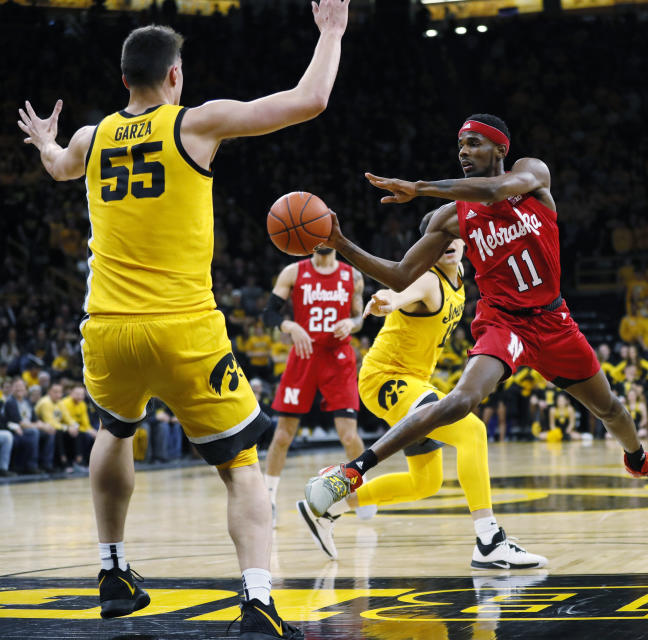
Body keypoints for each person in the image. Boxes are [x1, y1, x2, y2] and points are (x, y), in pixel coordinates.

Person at [17, 2, 349, 634]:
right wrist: (330, 32)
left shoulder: (93, 138)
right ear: (174, 76)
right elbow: (309, 100)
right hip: (183, 326)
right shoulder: (195, 125)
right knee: (240, 464)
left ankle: (113, 570)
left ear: (124, 81)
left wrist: (46, 141)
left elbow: (59, 167)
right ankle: (257, 603)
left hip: (107, 327)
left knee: (113, 432)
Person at [303, 113, 648, 519]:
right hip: (504, 321)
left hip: (553, 319)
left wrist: (420, 188)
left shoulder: (531, 175)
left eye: (474, 143)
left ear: (500, 149)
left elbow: (495, 190)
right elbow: (401, 275)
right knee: (462, 401)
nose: (464, 152)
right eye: (460, 146)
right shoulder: (452, 217)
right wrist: (341, 243)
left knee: (609, 407)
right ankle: (350, 472)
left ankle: (639, 461)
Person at [298, 226, 545, 569]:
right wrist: (390, 300)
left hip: (414, 382)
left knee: (425, 482)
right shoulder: (428, 281)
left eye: (452, 238)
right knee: (472, 431)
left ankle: (328, 507)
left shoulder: (460, 274)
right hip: (387, 380)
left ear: (463, 241)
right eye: (437, 241)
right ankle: (489, 540)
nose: (446, 245)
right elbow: (403, 293)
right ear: (426, 248)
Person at [261, 246, 366, 526]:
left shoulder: (352, 275)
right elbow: (269, 313)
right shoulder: (294, 272)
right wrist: (291, 327)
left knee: (348, 435)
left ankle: (361, 494)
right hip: (304, 356)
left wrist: (352, 324)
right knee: (283, 435)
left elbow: (359, 317)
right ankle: (267, 500)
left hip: (338, 357)